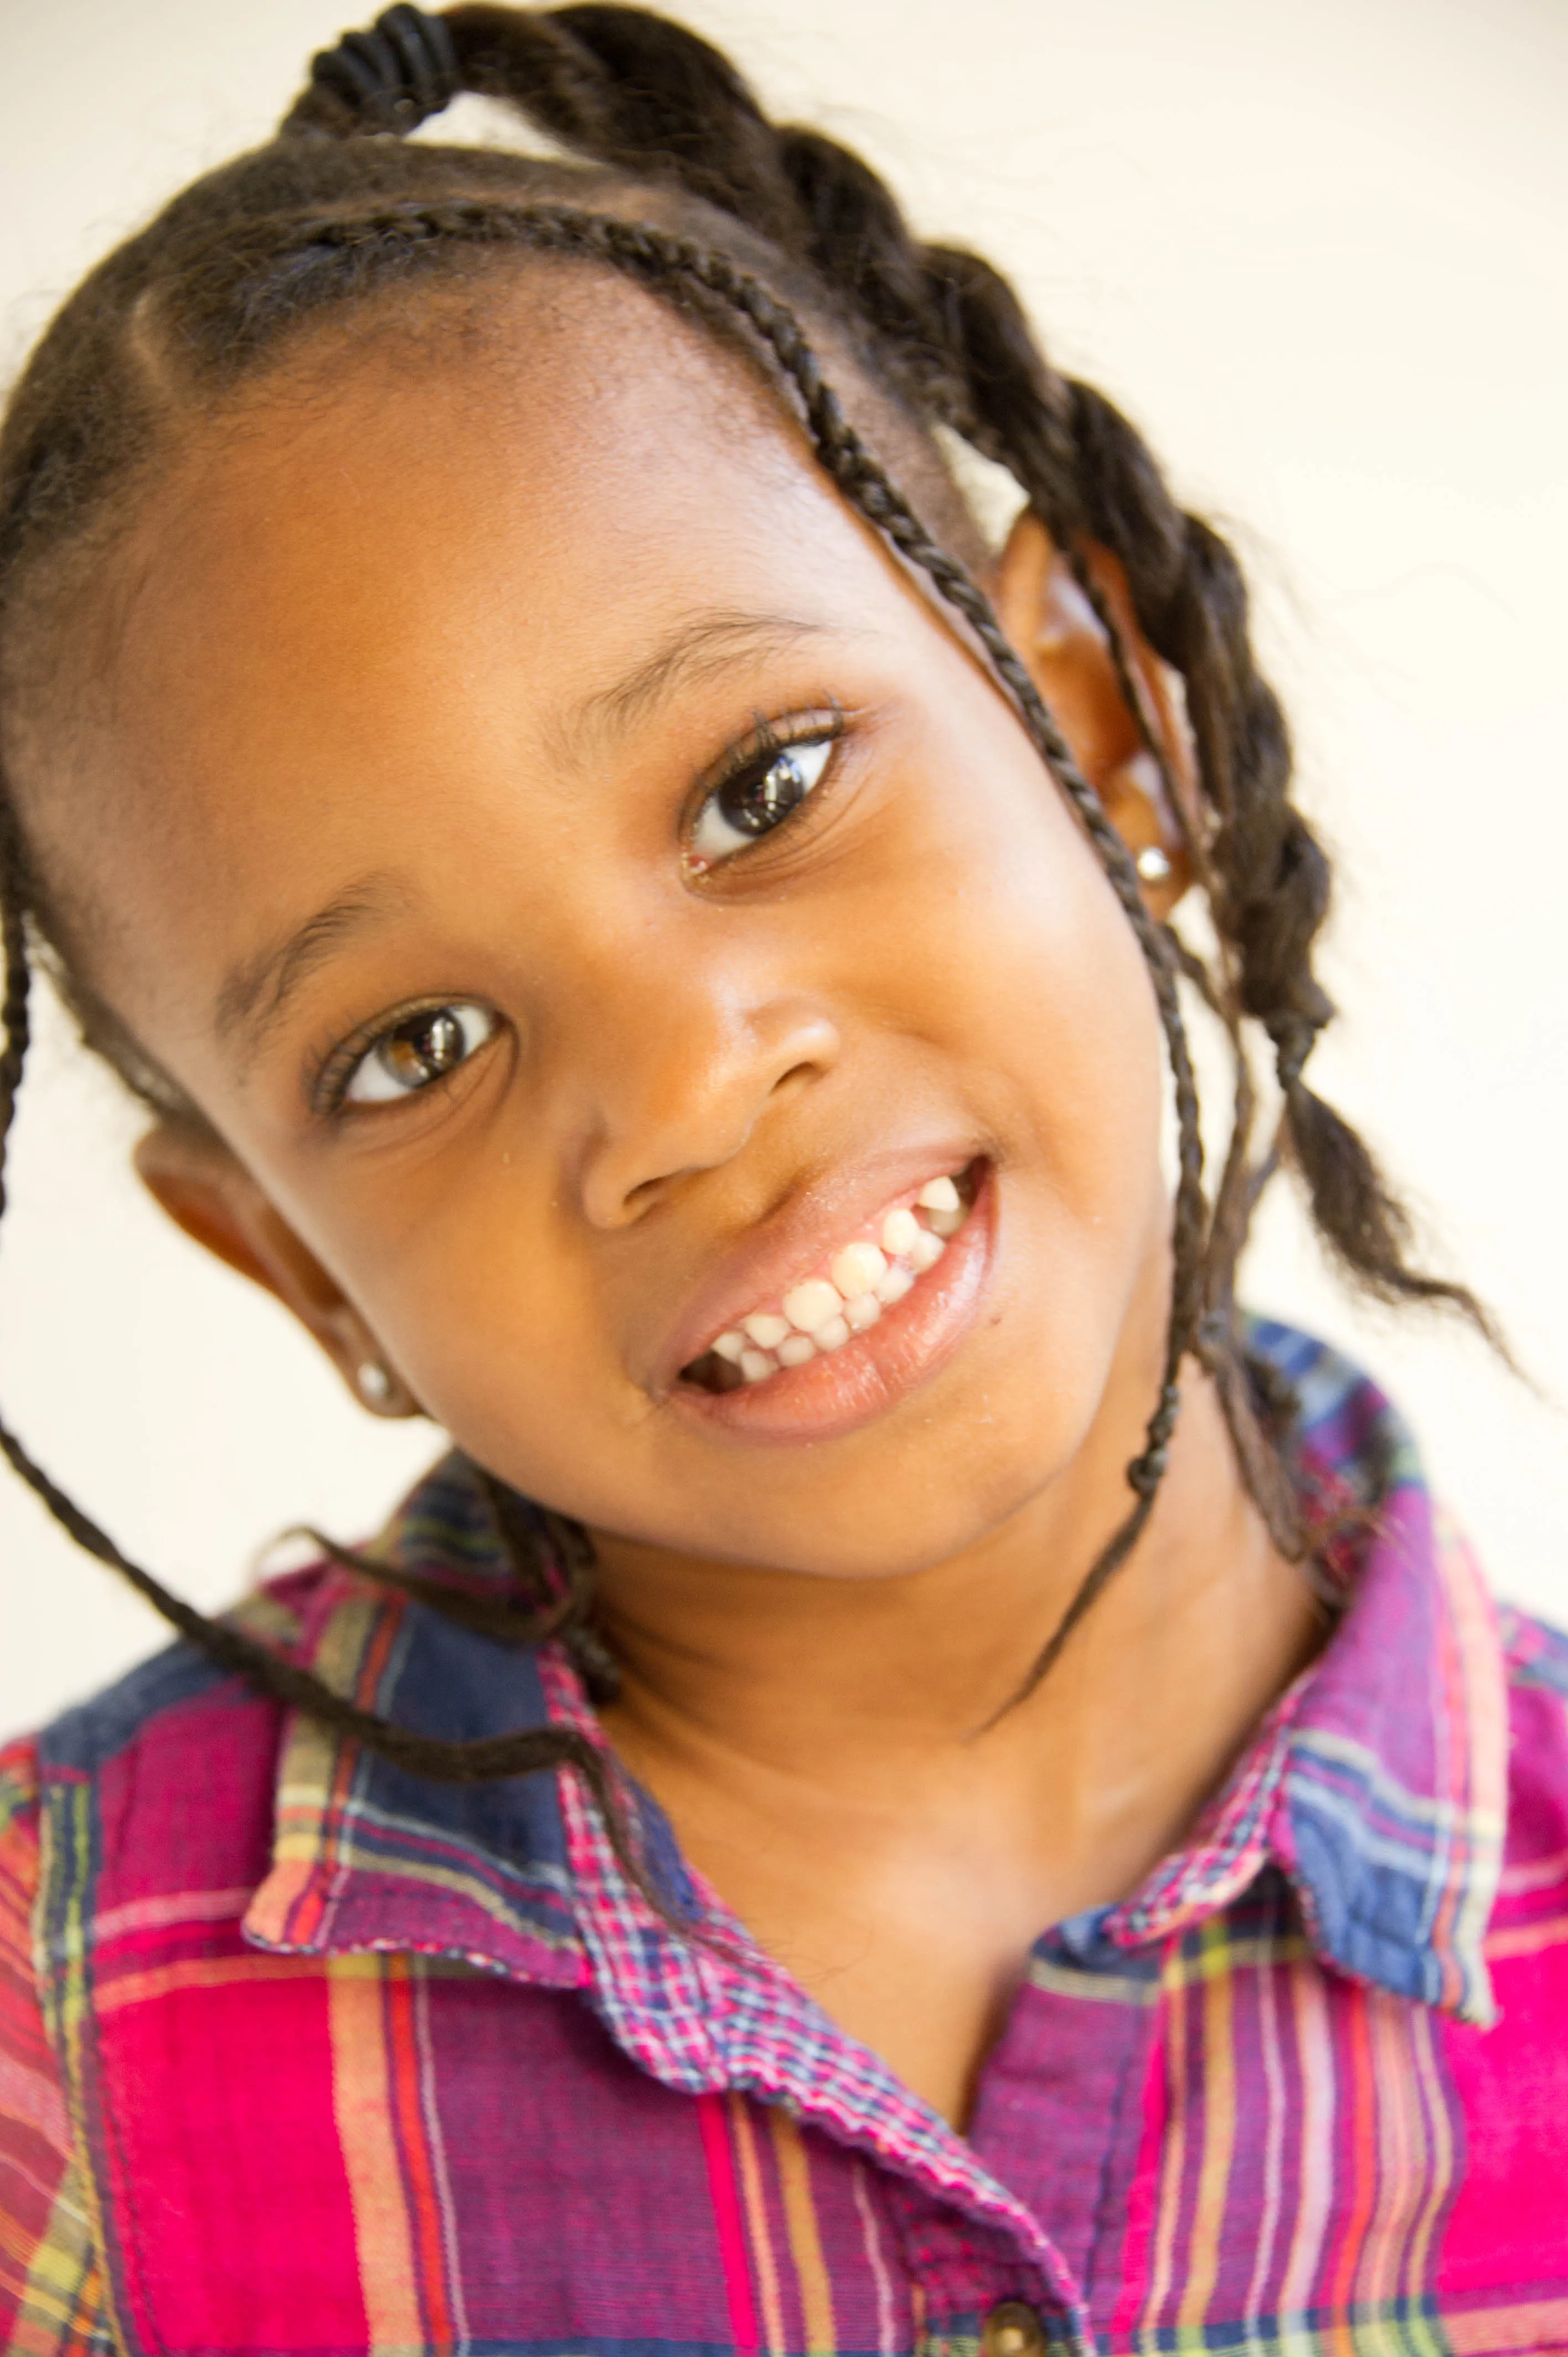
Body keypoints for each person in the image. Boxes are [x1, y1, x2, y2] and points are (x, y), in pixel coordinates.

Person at [0, 6, 1561, 2349]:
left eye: (764, 783)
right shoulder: (56, 2027)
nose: (690, 1092)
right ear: (283, 1260)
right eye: (416, 1044)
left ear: (1102, 719)